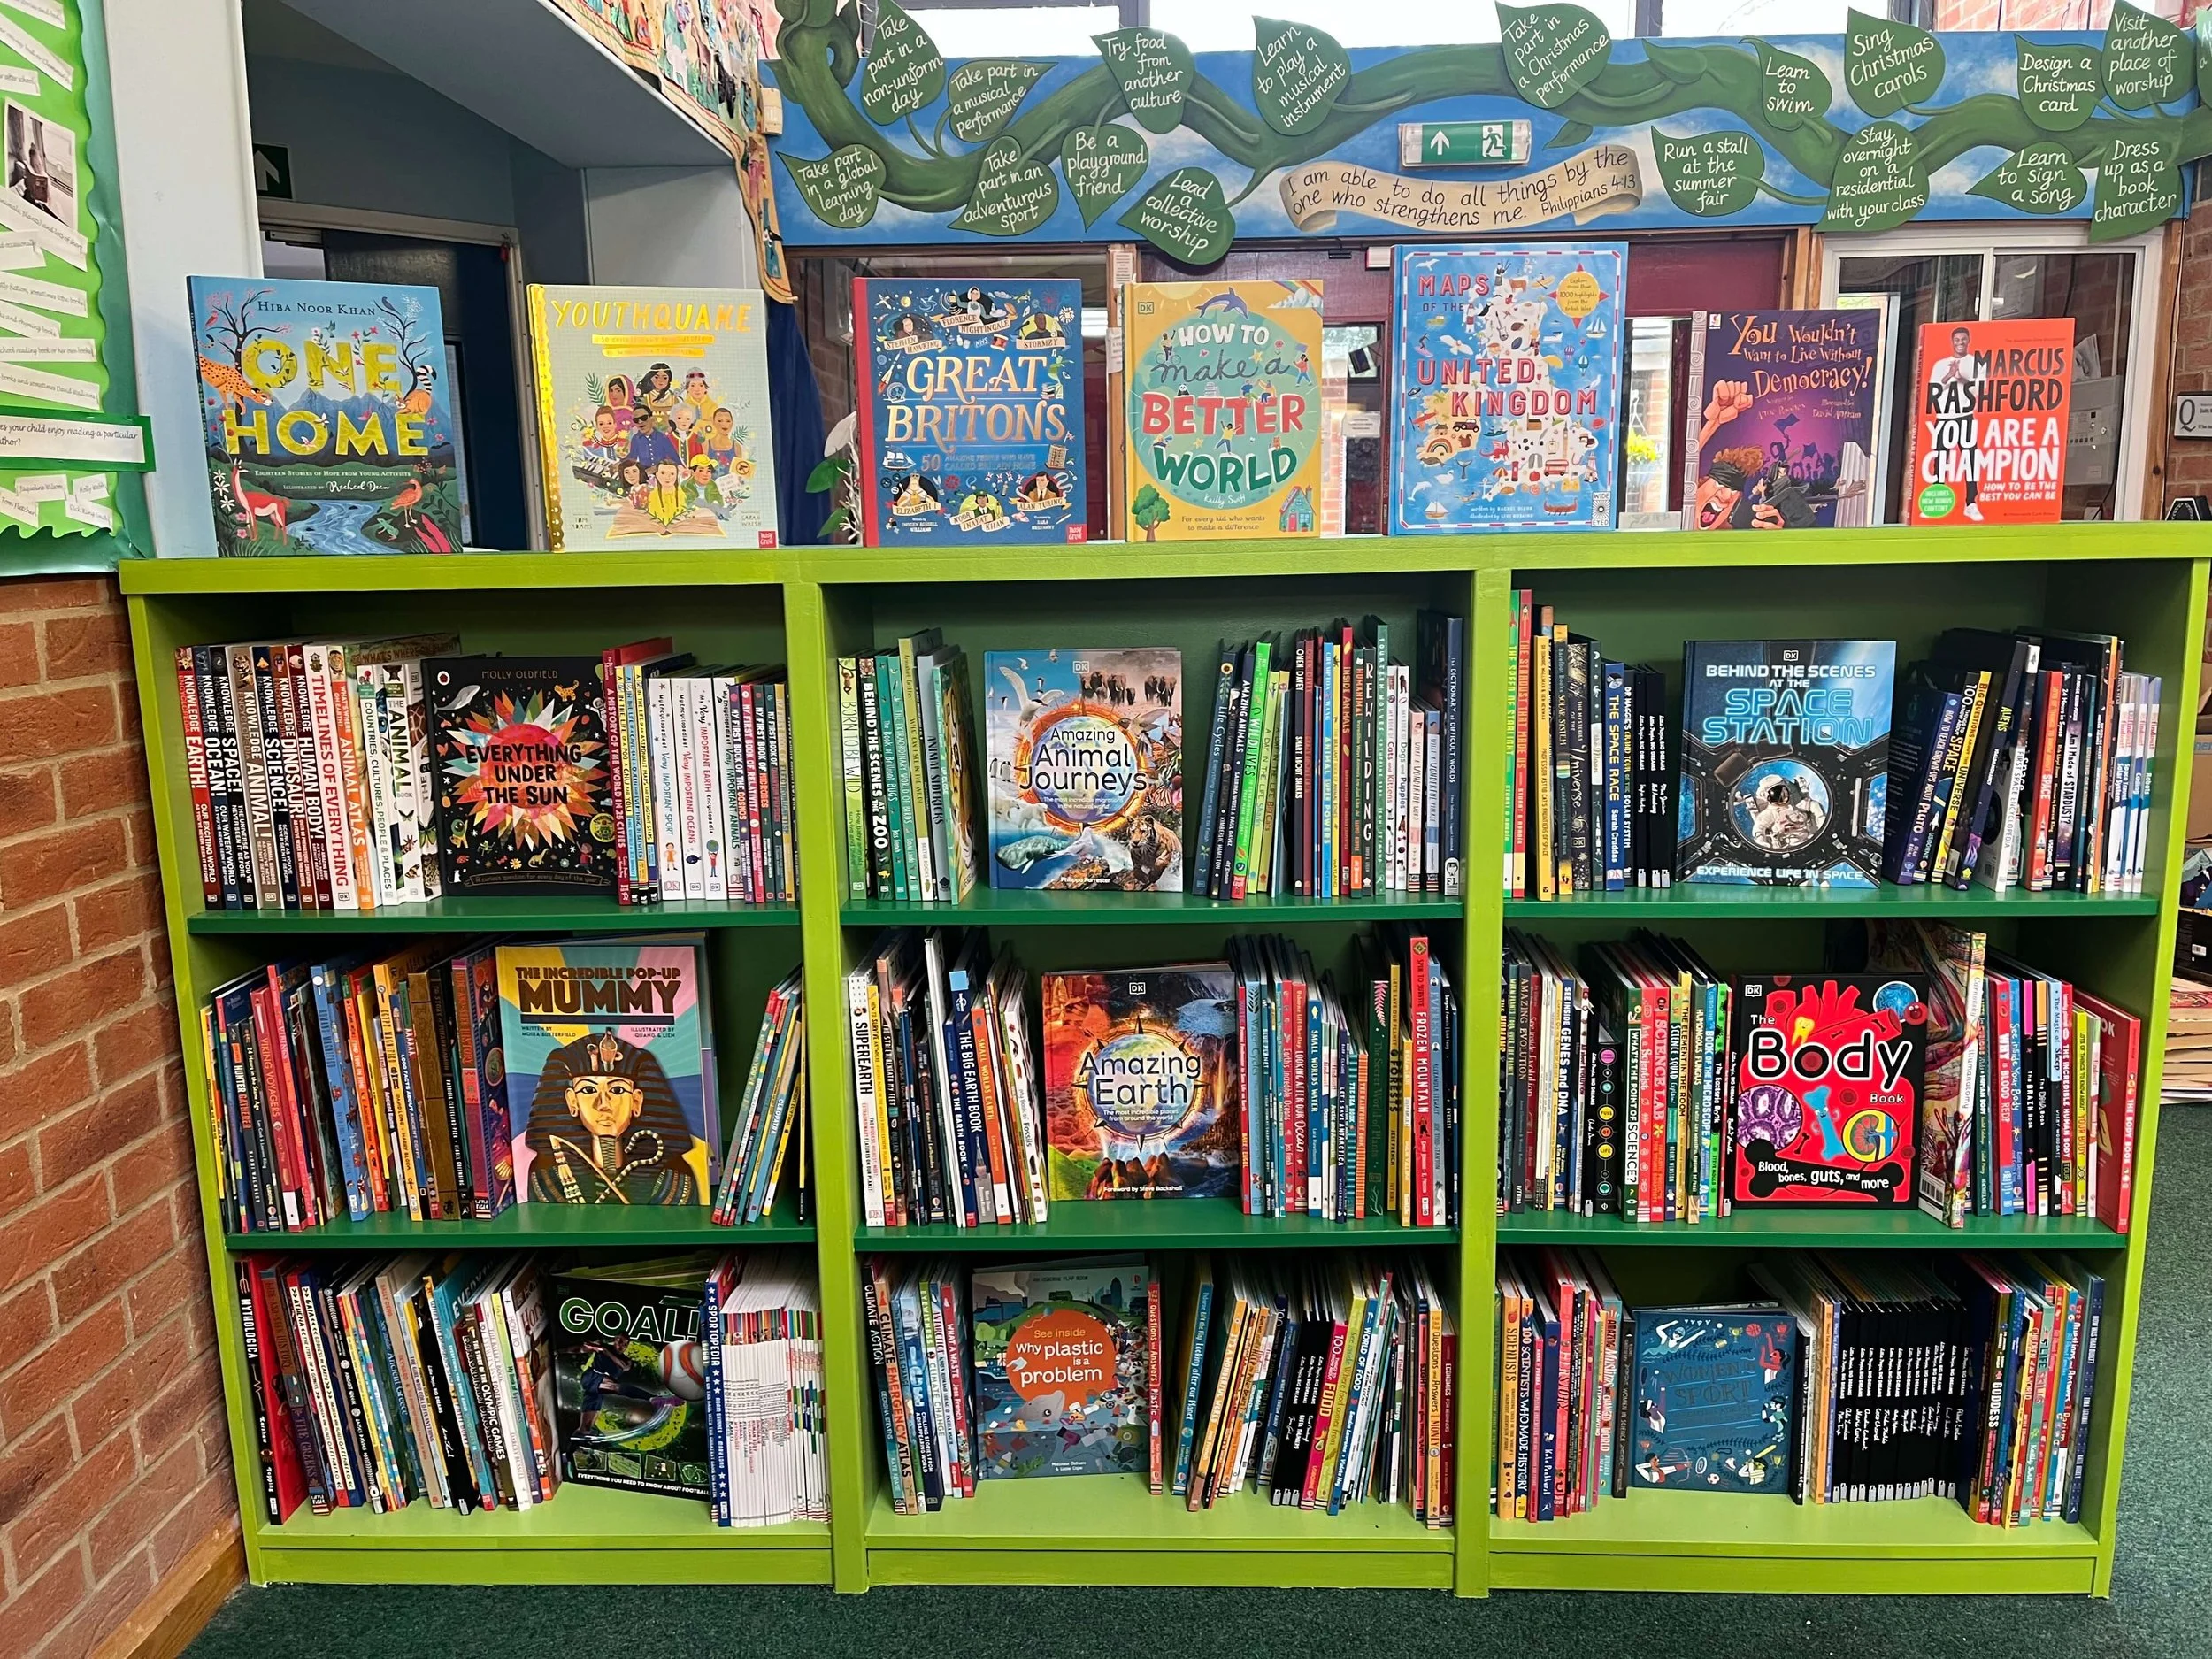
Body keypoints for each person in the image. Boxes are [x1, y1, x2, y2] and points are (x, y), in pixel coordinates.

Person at [522, 1030, 699, 1204]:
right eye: (589, 1090)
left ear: (636, 1101)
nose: (604, 1104)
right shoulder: (547, 1178)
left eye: (617, 1090)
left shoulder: (675, 1181)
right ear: (572, 1101)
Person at [1925, 325, 1985, 522]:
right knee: (1941, 458)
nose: (1960, 343)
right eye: (1957, 340)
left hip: (1965, 417)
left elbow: (1979, 391)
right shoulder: (1940, 364)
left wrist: (1961, 378)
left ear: (1969, 341)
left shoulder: (1976, 363)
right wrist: (1949, 376)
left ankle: (1971, 503)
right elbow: (1933, 390)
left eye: (1963, 339)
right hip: (1944, 417)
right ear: (1952, 342)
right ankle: (1936, 500)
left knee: (1970, 459)